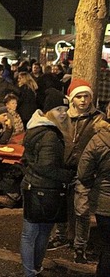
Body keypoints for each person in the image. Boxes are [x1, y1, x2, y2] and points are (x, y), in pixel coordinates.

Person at [48, 78, 106, 263]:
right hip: (63, 168)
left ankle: (80, 246)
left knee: (82, 210)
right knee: (61, 205)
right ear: (71, 98)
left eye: (86, 96)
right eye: (79, 96)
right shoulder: (60, 116)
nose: (83, 100)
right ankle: (61, 235)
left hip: (85, 171)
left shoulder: (97, 118)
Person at [20, 88, 73, 277]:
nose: (63, 113)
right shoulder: (50, 134)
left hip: (35, 186)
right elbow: (46, 167)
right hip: (43, 189)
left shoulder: (36, 127)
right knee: (35, 234)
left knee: (36, 233)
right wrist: (69, 175)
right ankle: (31, 272)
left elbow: (31, 161)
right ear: (49, 110)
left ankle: (33, 270)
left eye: (65, 109)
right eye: (59, 109)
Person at [78, 110, 110, 277]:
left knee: (107, 245)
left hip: (104, 202)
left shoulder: (98, 140)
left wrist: (95, 184)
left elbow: (83, 172)